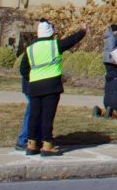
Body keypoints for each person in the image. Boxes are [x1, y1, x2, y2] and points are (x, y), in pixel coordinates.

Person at [19, 19, 87, 156]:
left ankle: (31, 145)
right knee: (47, 117)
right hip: (51, 86)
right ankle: (47, 145)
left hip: (35, 86)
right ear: (51, 33)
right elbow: (71, 40)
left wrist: (32, 78)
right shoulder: (55, 45)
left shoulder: (30, 48)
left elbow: (23, 69)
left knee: (34, 115)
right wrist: (83, 30)